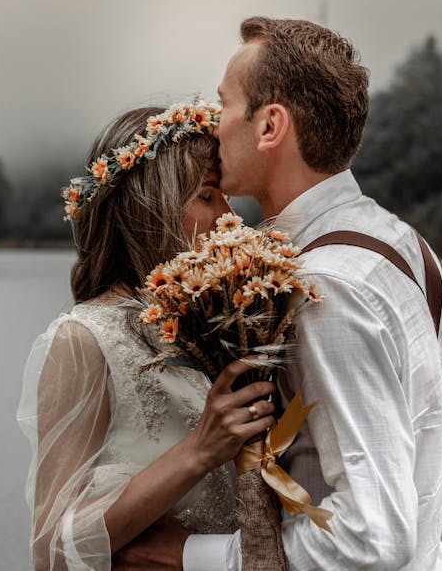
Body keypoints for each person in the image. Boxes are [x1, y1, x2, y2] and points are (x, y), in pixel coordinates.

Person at [131, 19, 442, 571]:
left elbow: (372, 540)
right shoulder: (404, 244)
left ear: (269, 126)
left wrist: (189, 557)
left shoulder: (326, 287)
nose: (213, 126)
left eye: (224, 104)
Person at [17, 102, 277, 571]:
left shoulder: (212, 328)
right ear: (151, 206)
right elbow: (50, 550)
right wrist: (198, 451)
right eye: (208, 195)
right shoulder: (85, 338)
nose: (230, 218)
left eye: (227, 199)